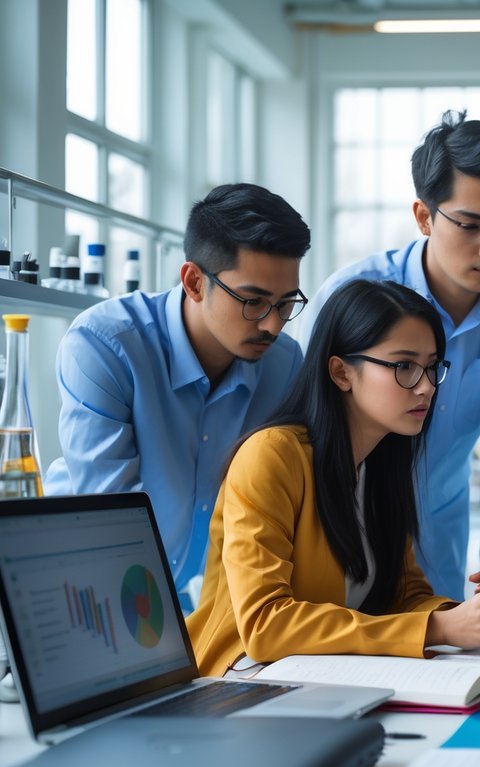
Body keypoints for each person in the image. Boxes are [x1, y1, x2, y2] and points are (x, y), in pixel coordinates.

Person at [186, 280, 480, 677]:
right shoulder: (271, 455)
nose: (426, 386)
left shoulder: (380, 464)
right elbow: (265, 626)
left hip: (331, 677)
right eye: (404, 366)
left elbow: (405, 598)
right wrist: (439, 628)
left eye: (432, 367)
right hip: (242, 677)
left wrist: (475, 613)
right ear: (341, 372)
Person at [299, 110, 480, 601]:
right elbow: (308, 430)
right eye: (471, 225)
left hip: (438, 523)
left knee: (445, 637)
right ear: (424, 216)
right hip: (341, 517)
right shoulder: (350, 296)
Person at [44, 183, 310, 610]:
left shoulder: (285, 364)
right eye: (254, 302)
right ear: (194, 282)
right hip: (90, 589)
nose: (273, 326)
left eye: (285, 304)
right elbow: (113, 521)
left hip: (203, 607)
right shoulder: (106, 345)